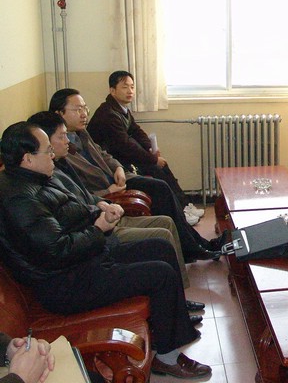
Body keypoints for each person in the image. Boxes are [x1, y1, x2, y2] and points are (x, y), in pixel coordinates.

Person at [0, 122, 212, 379]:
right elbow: (58, 250)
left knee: (161, 247)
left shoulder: (38, 178)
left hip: (85, 261)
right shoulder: (20, 199)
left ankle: (168, 327)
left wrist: (101, 210)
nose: (52, 155)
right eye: (47, 150)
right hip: (66, 284)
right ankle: (167, 357)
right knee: (160, 274)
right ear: (28, 158)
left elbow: (75, 208)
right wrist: (98, 229)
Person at [48, 88, 227, 262]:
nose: (83, 114)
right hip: (107, 192)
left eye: (84, 108)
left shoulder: (80, 132)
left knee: (161, 185)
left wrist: (118, 168)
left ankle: (196, 245)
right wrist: (107, 191)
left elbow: (104, 154)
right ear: (59, 114)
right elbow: (78, 193)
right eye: (77, 110)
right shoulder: (58, 152)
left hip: (118, 179)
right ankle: (194, 248)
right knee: (159, 188)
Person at [27, 111, 194, 291]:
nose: (68, 140)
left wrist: (102, 202)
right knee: (162, 236)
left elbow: (88, 189)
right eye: (62, 136)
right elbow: (73, 218)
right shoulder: (48, 178)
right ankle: (178, 290)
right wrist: (104, 201)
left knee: (166, 221)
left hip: (104, 212)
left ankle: (182, 290)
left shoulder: (63, 161)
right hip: (99, 229)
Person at [86, 71, 202, 221]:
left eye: (132, 87)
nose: (130, 91)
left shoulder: (120, 109)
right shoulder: (108, 114)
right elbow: (126, 146)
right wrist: (153, 159)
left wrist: (150, 149)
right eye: (124, 87)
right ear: (112, 90)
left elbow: (136, 131)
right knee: (156, 169)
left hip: (122, 158)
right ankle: (180, 212)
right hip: (115, 166)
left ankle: (183, 206)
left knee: (161, 165)